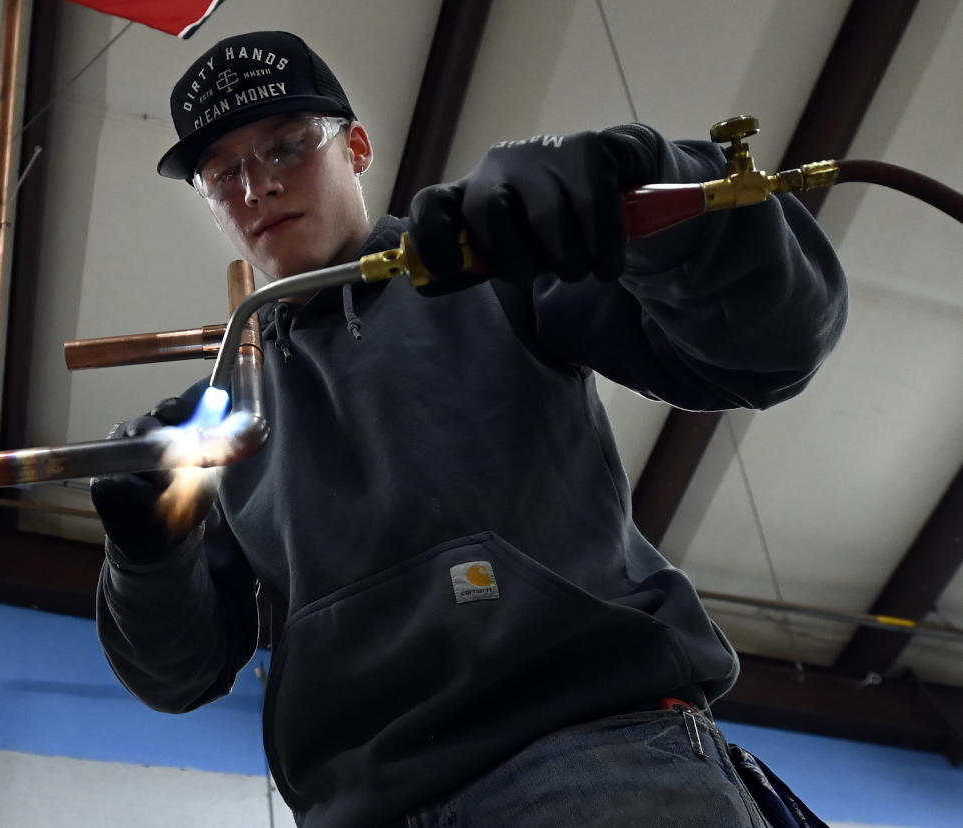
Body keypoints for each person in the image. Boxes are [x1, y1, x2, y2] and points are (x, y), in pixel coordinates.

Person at [91, 30, 847, 828]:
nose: (258, 188)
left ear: (356, 147)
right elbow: (178, 675)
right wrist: (146, 552)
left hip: (587, 756)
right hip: (359, 808)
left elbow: (768, 350)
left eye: (285, 147)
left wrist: (645, 187)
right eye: (224, 174)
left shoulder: (485, 271)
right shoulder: (221, 412)